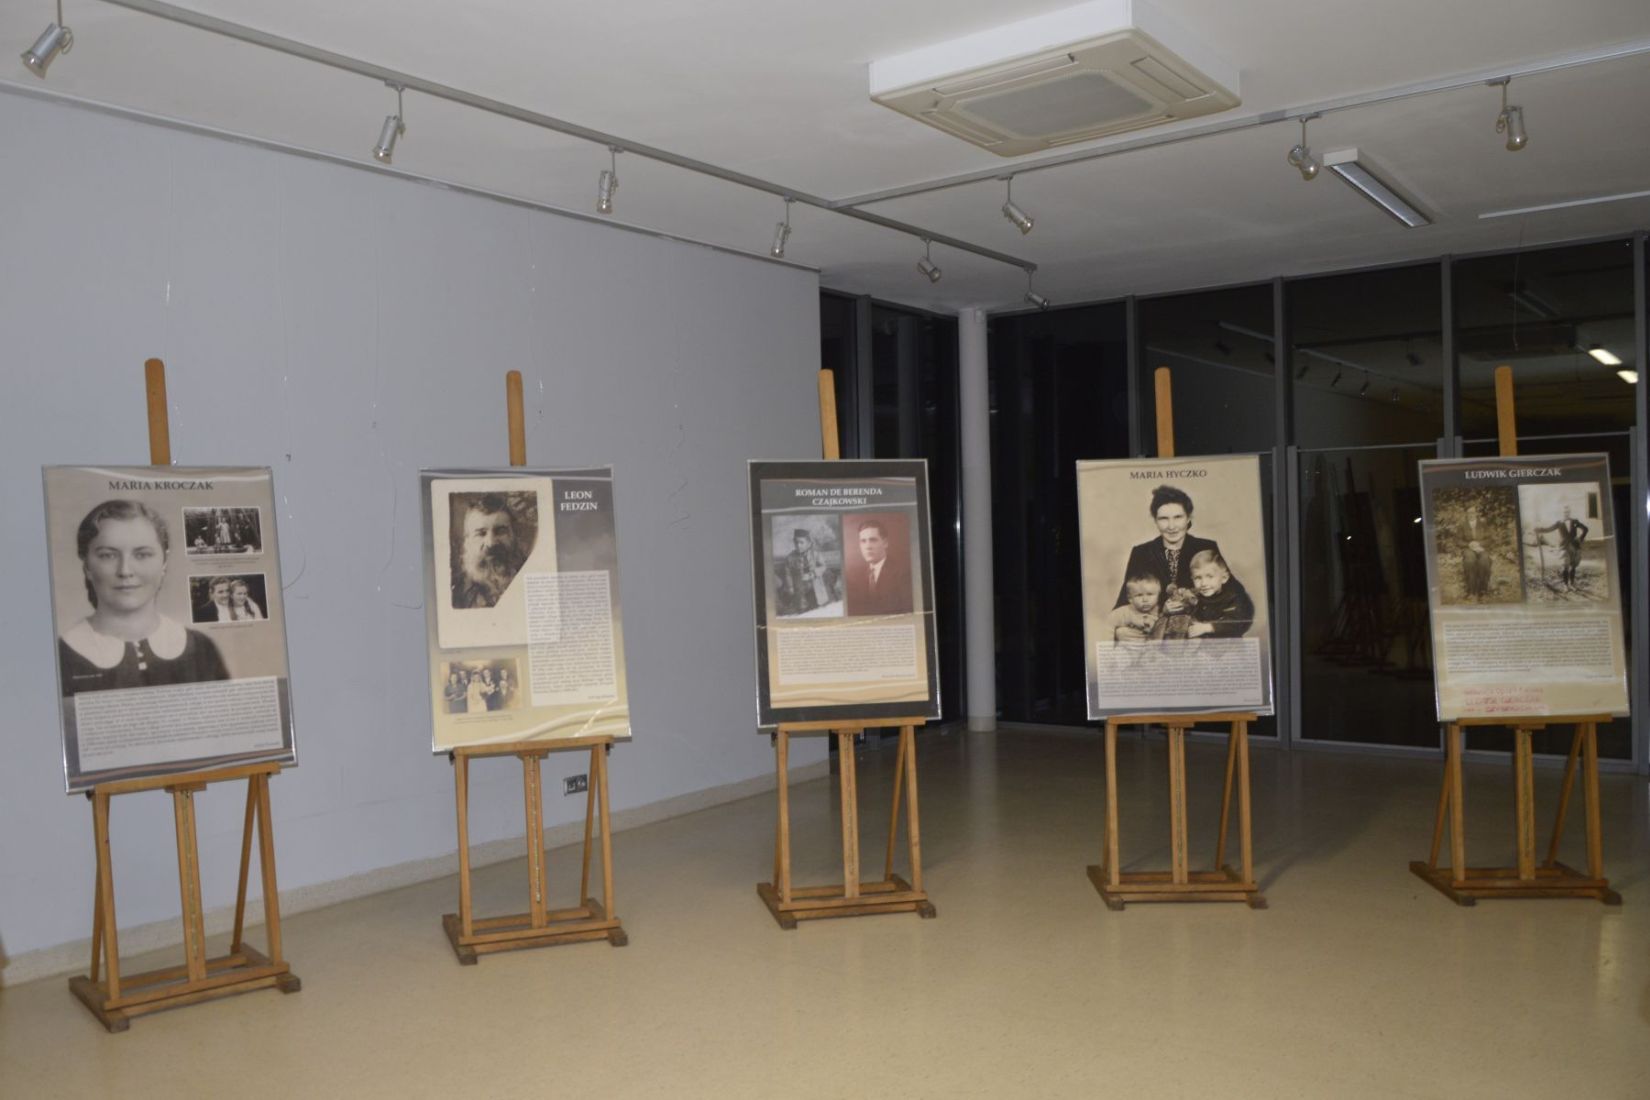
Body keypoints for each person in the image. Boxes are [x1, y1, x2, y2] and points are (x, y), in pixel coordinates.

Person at [58, 500, 230, 693]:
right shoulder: (60, 656)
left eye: (142, 555)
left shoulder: (201, 649)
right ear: (87, 566)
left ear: (164, 563)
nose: (125, 571)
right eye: (108, 555)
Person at [1113, 485, 1221, 615]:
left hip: (1198, 624)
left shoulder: (1206, 547)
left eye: (1178, 517)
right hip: (1153, 625)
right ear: (1155, 520)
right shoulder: (1141, 553)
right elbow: (1124, 602)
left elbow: (1231, 596)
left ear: (1188, 518)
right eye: (1163, 519)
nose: (1171, 526)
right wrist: (1160, 612)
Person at [452, 494, 527, 609]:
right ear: (467, 541)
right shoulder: (456, 593)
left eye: (500, 531)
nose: (491, 543)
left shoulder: (530, 575)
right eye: (481, 534)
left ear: (514, 536)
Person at [844, 518, 912, 615]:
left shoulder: (903, 573)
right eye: (863, 541)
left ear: (885, 543)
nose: (868, 546)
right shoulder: (855, 576)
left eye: (873, 540)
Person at [1184, 550, 1254, 638]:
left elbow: (1237, 623)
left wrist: (1207, 627)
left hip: (1228, 643)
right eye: (1198, 578)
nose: (1203, 583)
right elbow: (1188, 597)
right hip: (1204, 641)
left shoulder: (1234, 598)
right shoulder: (1198, 593)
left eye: (1210, 576)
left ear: (1224, 578)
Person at [1535, 505, 1589, 588]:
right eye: (1565, 512)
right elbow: (1549, 529)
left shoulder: (1575, 521)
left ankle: (1572, 584)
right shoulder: (1559, 523)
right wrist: (1539, 529)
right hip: (1564, 547)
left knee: (1573, 566)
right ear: (1562, 513)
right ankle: (1565, 585)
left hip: (1574, 547)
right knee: (1565, 565)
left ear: (1570, 512)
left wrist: (1580, 539)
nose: (1566, 514)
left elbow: (1585, 529)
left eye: (1568, 512)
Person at [779, 529, 830, 614]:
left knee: (818, 605)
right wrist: (790, 587)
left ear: (808, 543)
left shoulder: (815, 554)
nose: (798, 545)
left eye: (801, 542)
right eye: (796, 543)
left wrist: (813, 573)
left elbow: (823, 566)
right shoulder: (790, 558)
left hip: (815, 585)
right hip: (799, 587)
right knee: (801, 607)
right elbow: (788, 574)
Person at [1106, 574, 1161, 644]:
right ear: (1130, 599)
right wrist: (1109, 646)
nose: (1145, 599)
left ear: (1158, 596)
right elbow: (1109, 626)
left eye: (1150, 594)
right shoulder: (1124, 612)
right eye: (1139, 595)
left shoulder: (1161, 612)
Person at [1460, 507, 1491, 599]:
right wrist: (1468, 544)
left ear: (1476, 513)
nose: (1471, 514)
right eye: (1469, 513)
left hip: (1481, 548)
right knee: (1469, 561)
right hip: (1468, 548)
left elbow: (1490, 539)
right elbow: (1457, 540)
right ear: (1466, 514)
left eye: (1473, 512)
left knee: (1484, 561)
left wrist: (1479, 544)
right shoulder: (1462, 525)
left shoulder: (1483, 524)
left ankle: (1483, 591)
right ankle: (1471, 591)